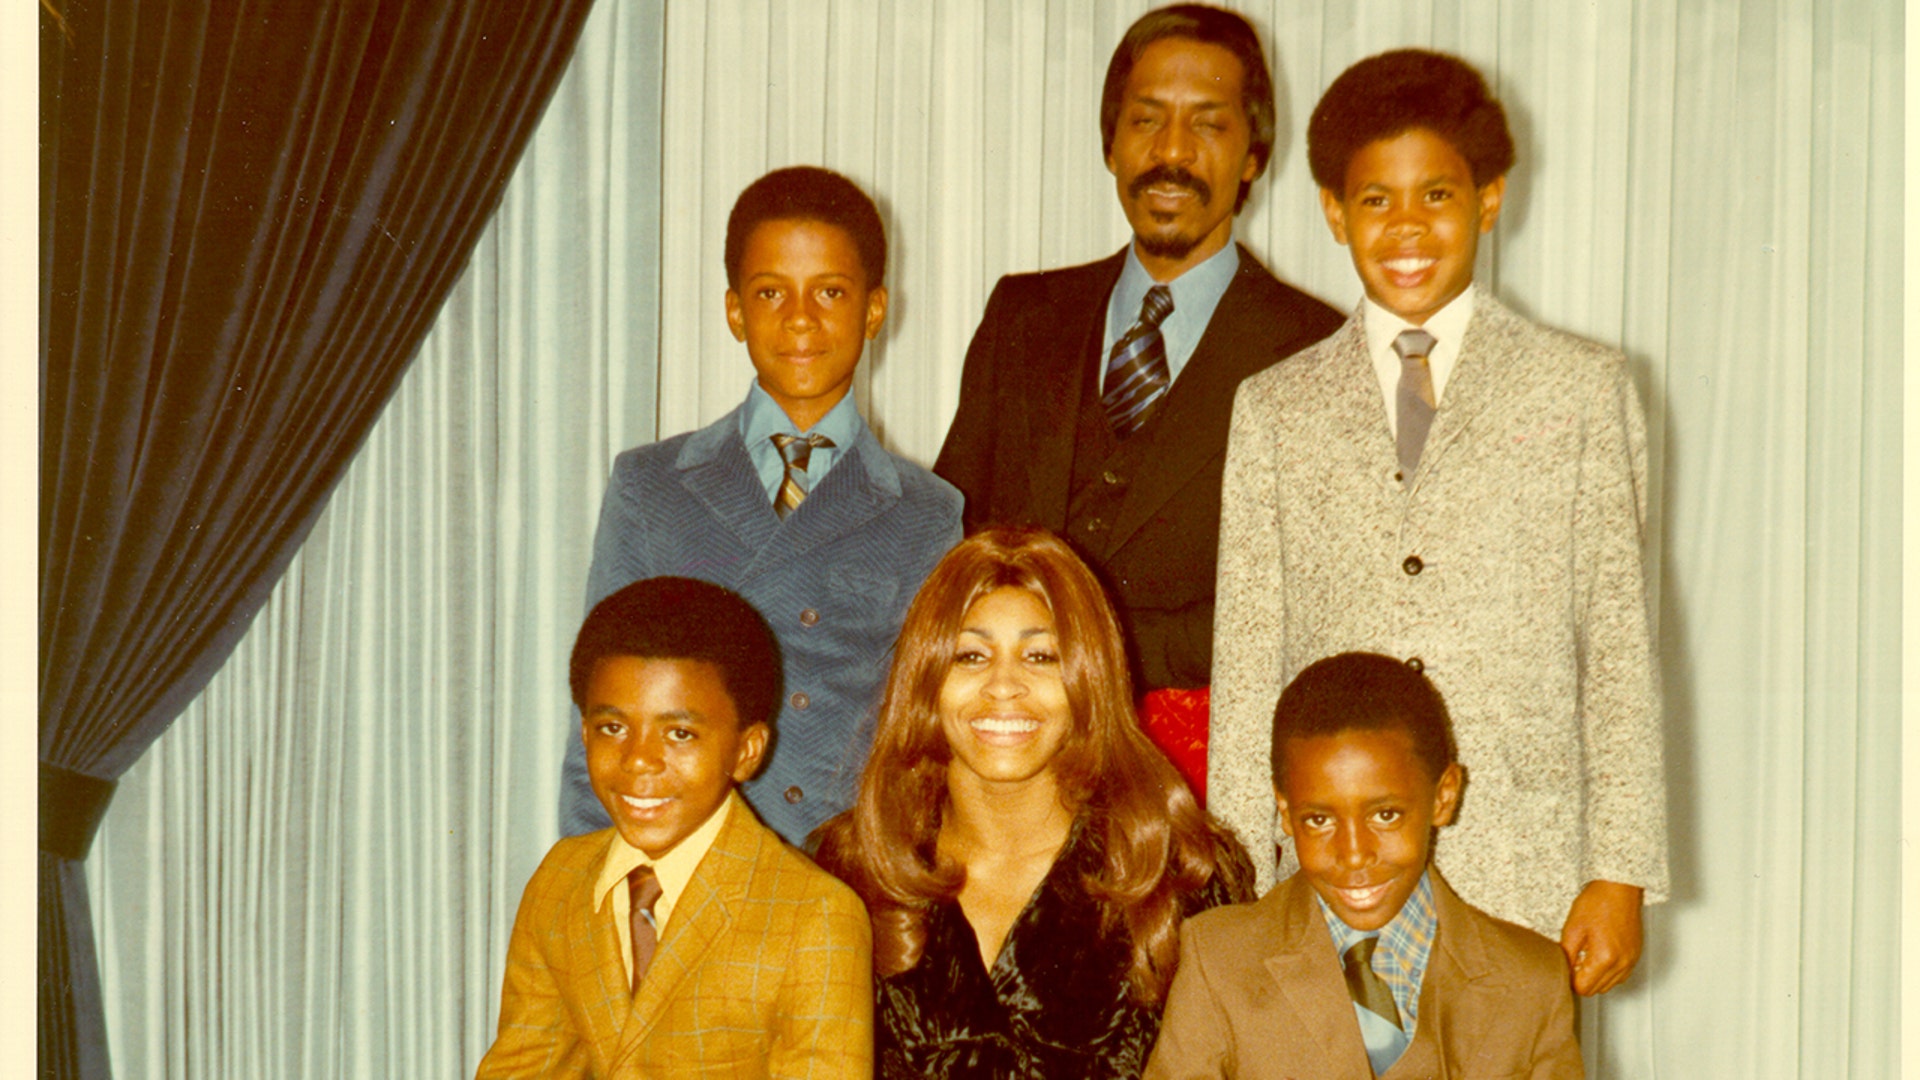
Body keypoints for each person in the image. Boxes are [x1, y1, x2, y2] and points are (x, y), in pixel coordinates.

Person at [1209, 48, 1666, 995]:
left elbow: (1618, 641)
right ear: (1334, 212)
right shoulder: (1275, 407)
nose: (1407, 228)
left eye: (1438, 197)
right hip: (1333, 871)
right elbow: (1249, 655)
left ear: (1490, 199)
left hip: (1524, 867)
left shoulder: (1582, 389)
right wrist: (1241, 875)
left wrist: (1619, 869)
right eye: (1376, 201)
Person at [933, 5, 1343, 792]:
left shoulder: (1316, 348)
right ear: (1110, 142)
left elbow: (1305, 604)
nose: (1172, 154)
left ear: (1254, 154)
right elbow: (956, 535)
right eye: (1146, 121)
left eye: (1208, 126)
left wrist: (1083, 652)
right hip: (1008, 766)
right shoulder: (1021, 315)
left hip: (1200, 783)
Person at [560, 165, 963, 847]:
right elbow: (599, 716)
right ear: (734, 311)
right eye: (771, 292)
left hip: (848, 882)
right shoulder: (651, 486)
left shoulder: (928, 512)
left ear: (874, 309)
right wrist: (592, 889)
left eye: (830, 292)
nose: (800, 319)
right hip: (685, 870)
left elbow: (929, 745)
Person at [813, 527, 1253, 1079]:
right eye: (970, 656)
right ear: (926, 680)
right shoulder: (850, 871)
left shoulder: (1183, 874)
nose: (1004, 685)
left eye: (1041, 656)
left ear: (1088, 680)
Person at [479, 577, 871, 1078]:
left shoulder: (816, 917)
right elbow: (523, 1067)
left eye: (680, 734)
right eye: (612, 728)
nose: (639, 760)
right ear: (583, 732)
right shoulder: (561, 879)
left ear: (747, 751)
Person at [1145, 652, 1581, 1079]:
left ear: (1444, 796)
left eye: (1385, 815)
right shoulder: (1220, 958)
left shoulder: (1531, 979)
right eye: (1319, 820)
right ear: (1284, 811)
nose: (1353, 855)